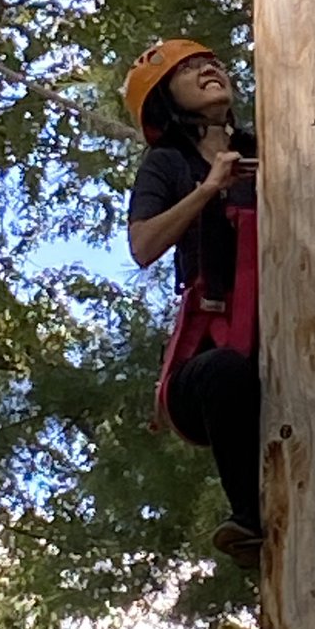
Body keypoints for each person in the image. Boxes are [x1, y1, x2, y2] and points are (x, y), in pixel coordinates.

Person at [122, 38, 262, 566]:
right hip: (209, 368)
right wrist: (208, 190)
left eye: (213, 63)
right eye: (191, 69)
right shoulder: (167, 164)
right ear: (166, 98)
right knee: (225, 371)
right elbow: (143, 246)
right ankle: (249, 516)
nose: (210, 69)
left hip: (275, 343)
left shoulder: (265, 148)